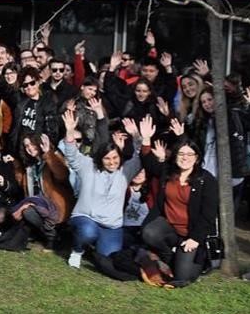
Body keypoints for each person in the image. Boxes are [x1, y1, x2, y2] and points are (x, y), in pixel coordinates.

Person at [60, 109, 144, 270]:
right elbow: (71, 155)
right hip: (86, 217)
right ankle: (77, 250)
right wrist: (70, 131)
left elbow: (139, 157)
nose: (111, 162)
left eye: (115, 158)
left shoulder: (125, 171)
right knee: (88, 231)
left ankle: (93, 248)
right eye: (107, 158)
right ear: (100, 158)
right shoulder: (88, 166)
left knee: (108, 260)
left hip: (111, 225)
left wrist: (137, 137)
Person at [141, 139, 219, 286]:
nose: (185, 157)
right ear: (175, 156)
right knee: (149, 232)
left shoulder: (206, 180)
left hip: (192, 234)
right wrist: (145, 140)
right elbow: (149, 165)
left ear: (197, 158)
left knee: (182, 278)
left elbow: (208, 214)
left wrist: (195, 239)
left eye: (190, 154)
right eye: (181, 153)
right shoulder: (167, 172)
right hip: (170, 228)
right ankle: (167, 254)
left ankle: (189, 259)